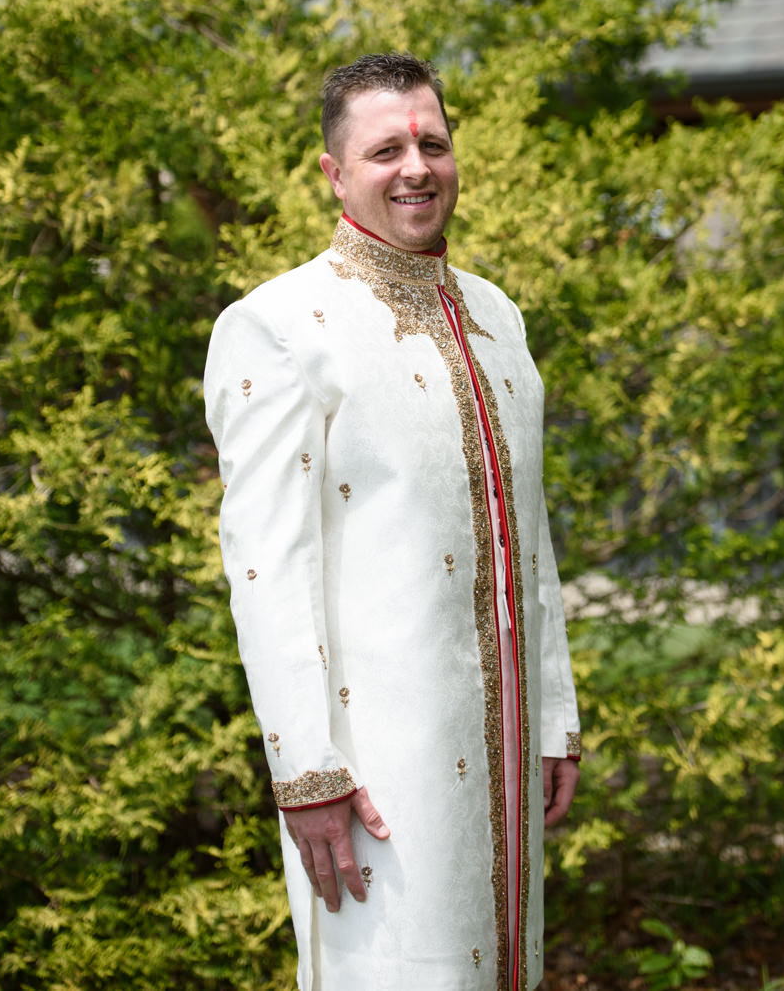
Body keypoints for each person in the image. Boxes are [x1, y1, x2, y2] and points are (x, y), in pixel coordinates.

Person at [204, 52, 580, 991]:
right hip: (375, 772)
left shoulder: (497, 316)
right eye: (386, 150)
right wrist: (307, 774)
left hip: (504, 755)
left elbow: (527, 539)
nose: (416, 166)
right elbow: (265, 570)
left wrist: (554, 718)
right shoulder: (280, 327)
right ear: (335, 173)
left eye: (433, 143)